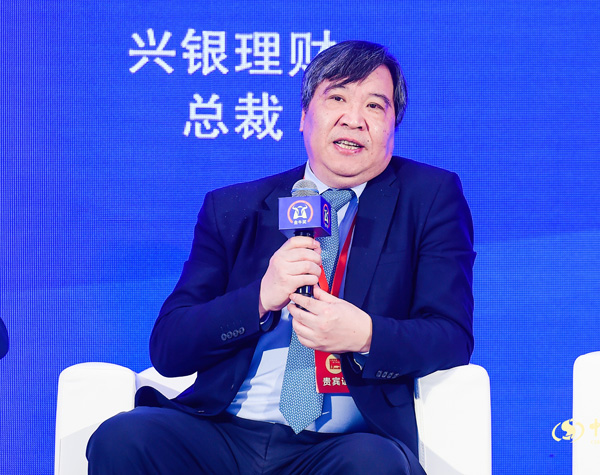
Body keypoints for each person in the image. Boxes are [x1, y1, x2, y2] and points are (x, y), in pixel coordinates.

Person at [87, 40, 475, 474]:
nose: (354, 119)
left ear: (393, 126)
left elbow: (451, 335)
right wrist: (259, 298)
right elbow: (169, 347)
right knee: (123, 437)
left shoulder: (429, 198)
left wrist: (364, 334)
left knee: (373, 465)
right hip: (223, 431)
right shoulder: (234, 208)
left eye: (374, 106)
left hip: (344, 445)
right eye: (337, 98)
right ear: (303, 116)